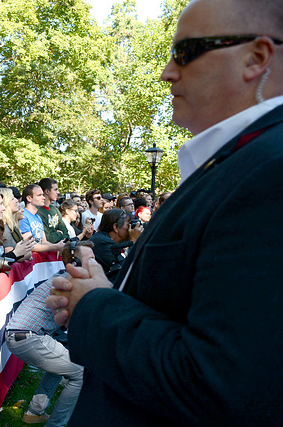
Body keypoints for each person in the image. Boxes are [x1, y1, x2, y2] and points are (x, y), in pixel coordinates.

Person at [46, 0, 283, 424]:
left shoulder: (270, 170)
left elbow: (220, 382)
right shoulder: (239, 164)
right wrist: (107, 293)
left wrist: (95, 307)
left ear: (256, 58)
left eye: (185, 52)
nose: (167, 72)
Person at [6, 241, 94, 426]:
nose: (96, 263)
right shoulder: (71, 282)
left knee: (62, 365)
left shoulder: (66, 278)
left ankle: (35, 412)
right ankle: (56, 424)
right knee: (79, 373)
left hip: (24, 336)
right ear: (75, 263)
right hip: (29, 338)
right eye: (91, 259)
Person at [88, 209, 142, 278]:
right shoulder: (102, 242)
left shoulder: (110, 241)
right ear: (116, 227)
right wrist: (133, 242)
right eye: (129, 225)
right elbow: (122, 268)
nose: (131, 229)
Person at [20, 184, 65, 253]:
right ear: (29, 198)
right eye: (39, 195)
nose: (43, 198)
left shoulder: (38, 217)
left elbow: (44, 242)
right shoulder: (23, 216)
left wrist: (57, 248)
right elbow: (29, 245)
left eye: (43, 195)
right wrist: (56, 246)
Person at [37, 178, 69, 243]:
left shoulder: (55, 210)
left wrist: (62, 238)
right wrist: (60, 234)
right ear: (47, 191)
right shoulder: (38, 212)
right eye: (55, 190)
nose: (58, 192)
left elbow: (66, 232)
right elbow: (47, 238)